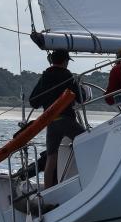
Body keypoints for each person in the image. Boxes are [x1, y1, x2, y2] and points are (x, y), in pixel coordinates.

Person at [28, 48, 87, 188]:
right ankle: (88, 177)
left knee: (51, 157)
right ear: (65, 61)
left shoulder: (45, 77)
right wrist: (80, 86)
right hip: (66, 120)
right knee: (87, 141)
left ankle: (47, 190)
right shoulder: (67, 75)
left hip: (51, 122)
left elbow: (33, 102)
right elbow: (81, 98)